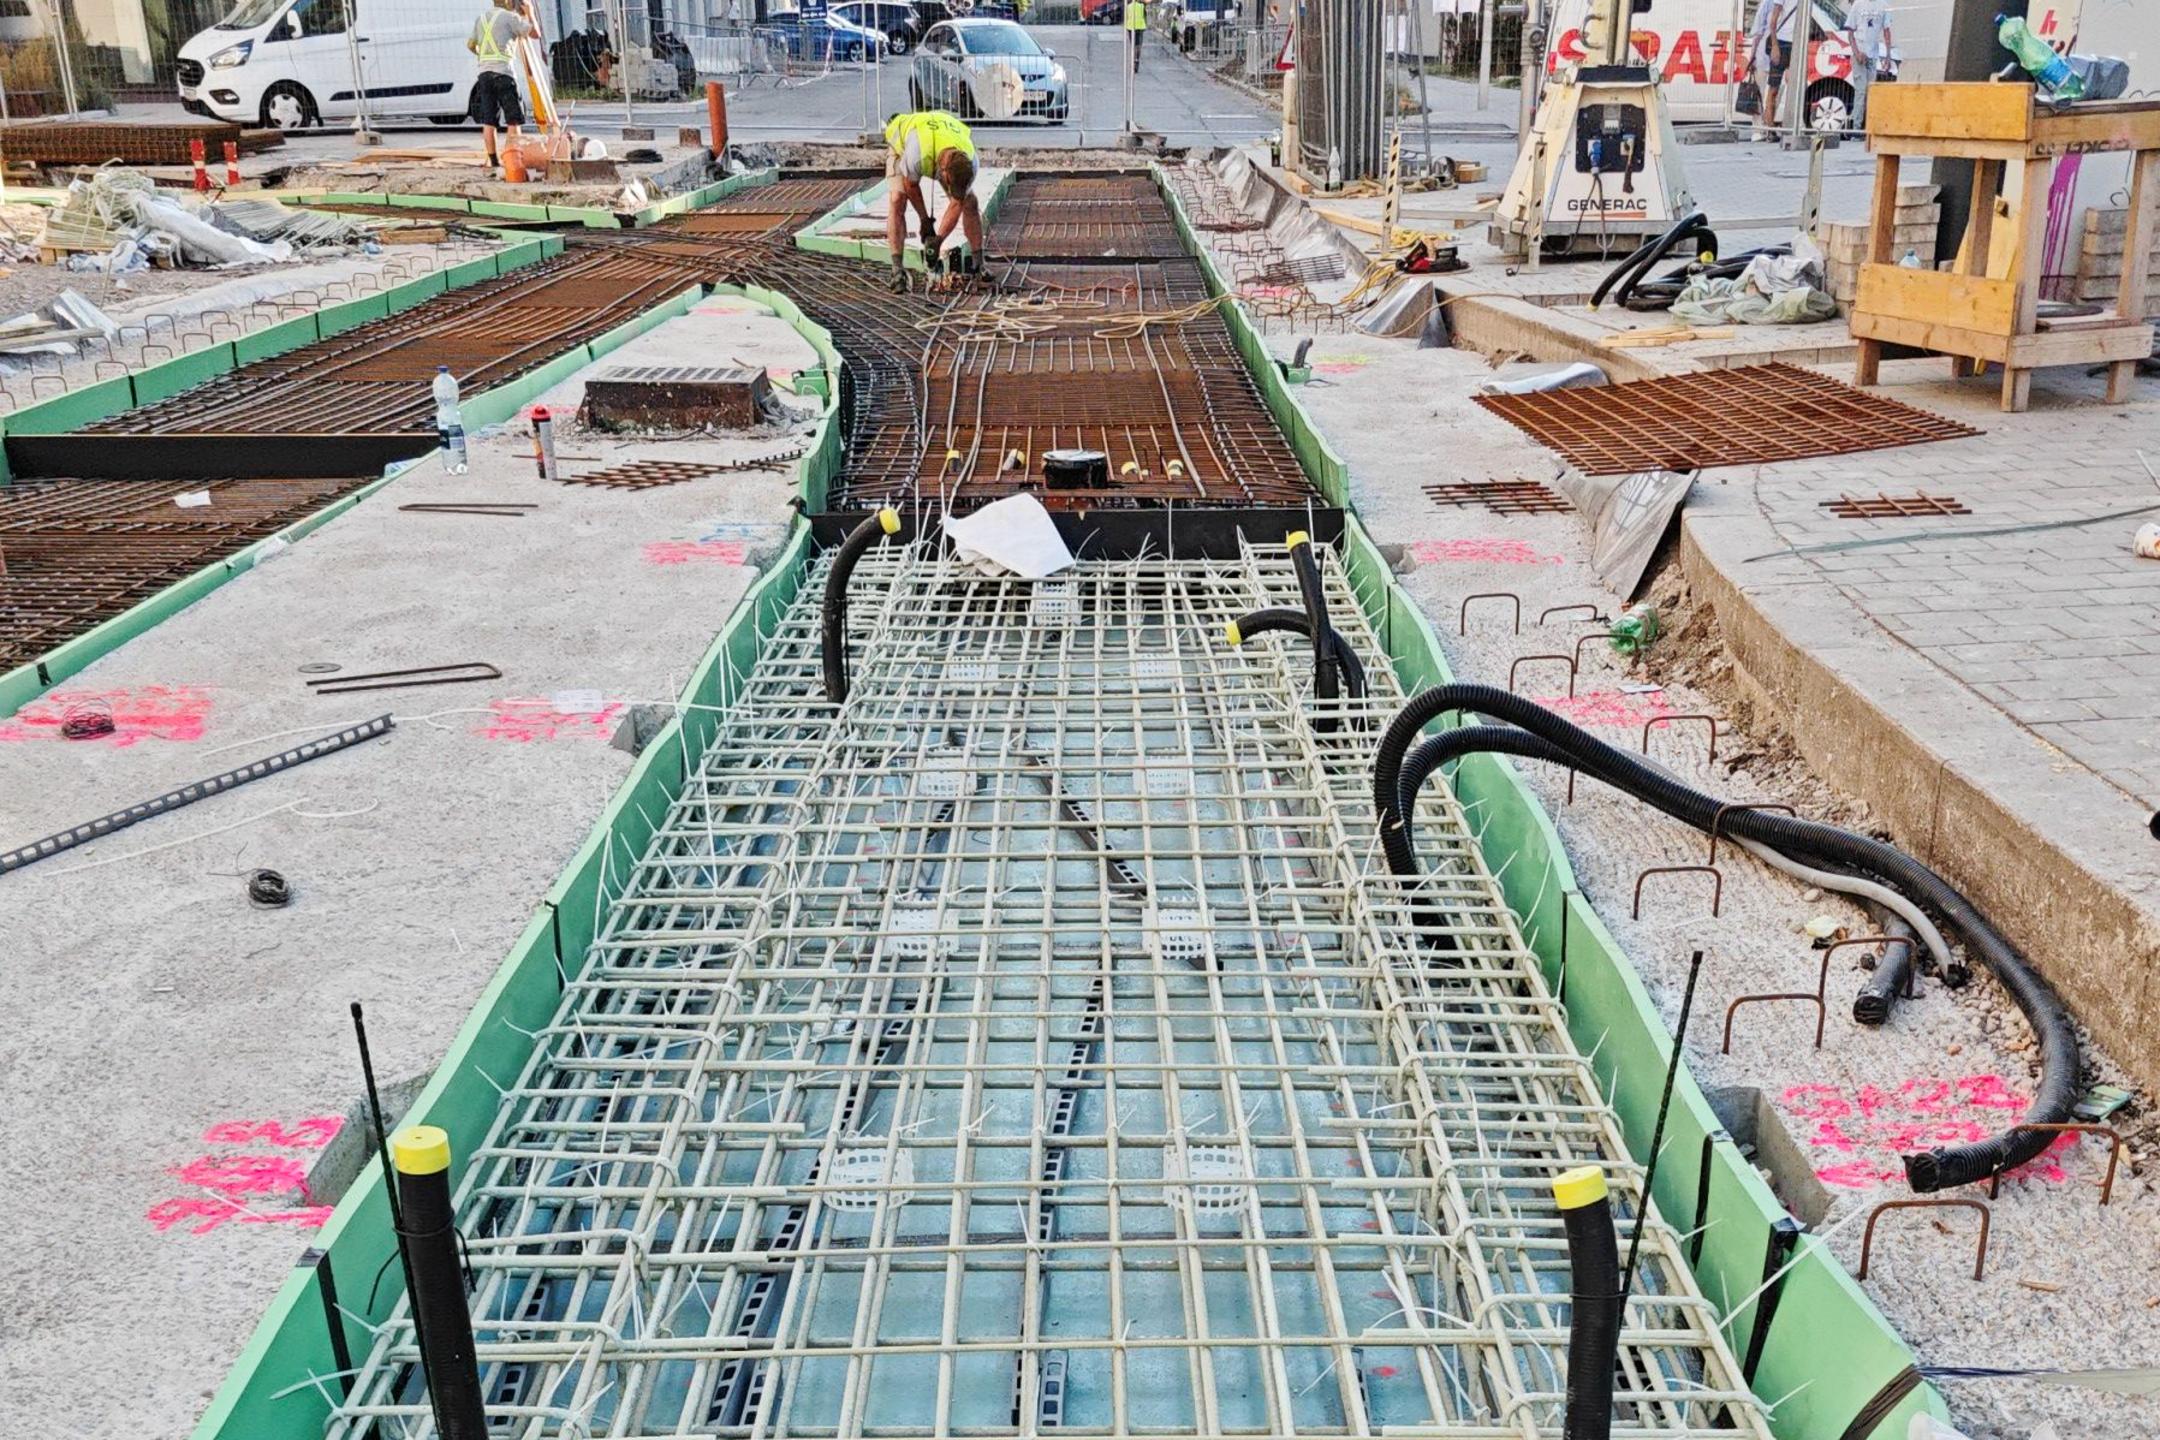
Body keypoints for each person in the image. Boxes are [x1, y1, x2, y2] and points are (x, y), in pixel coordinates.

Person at [884, 110, 988, 292]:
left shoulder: (971, 160)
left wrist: (938, 239)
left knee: (970, 203)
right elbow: (911, 186)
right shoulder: (917, 153)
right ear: (944, 172)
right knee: (897, 199)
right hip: (904, 142)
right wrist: (925, 220)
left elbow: (958, 202)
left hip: (941, 144)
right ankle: (897, 271)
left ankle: (979, 264)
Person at [467, 0, 535, 172]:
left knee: (489, 121)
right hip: (503, 73)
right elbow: (532, 33)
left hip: (484, 74)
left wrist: (483, 56)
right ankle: (514, 162)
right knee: (513, 120)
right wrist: (530, 13)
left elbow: (470, 44)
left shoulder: (481, 18)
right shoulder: (510, 17)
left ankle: (493, 162)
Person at [1845, 0, 1890, 132]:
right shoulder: (1858, 4)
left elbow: (1887, 31)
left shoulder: (1883, 6)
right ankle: (1856, 128)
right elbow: (1850, 32)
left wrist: (1887, 55)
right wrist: (1857, 52)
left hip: (1873, 54)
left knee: (1871, 91)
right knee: (1860, 91)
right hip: (1860, 52)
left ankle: (1869, 126)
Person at [1760, 0, 1799, 139]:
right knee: (1774, 87)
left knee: (1793, 84)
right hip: (1782, 41)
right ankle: (1769, 127)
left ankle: (1791, 124)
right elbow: (1773, 20)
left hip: (1796, 42)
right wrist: (1775, 45)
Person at [1125, 0, 1147, 70]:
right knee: (1139, 45)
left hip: (1131, 28)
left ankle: (1133, 60)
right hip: (1140, 27)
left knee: (1133, 46)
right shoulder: (1142, 6)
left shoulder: (1128, 7)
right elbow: (1144, 16)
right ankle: (1137, 59)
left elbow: (1126, 17)